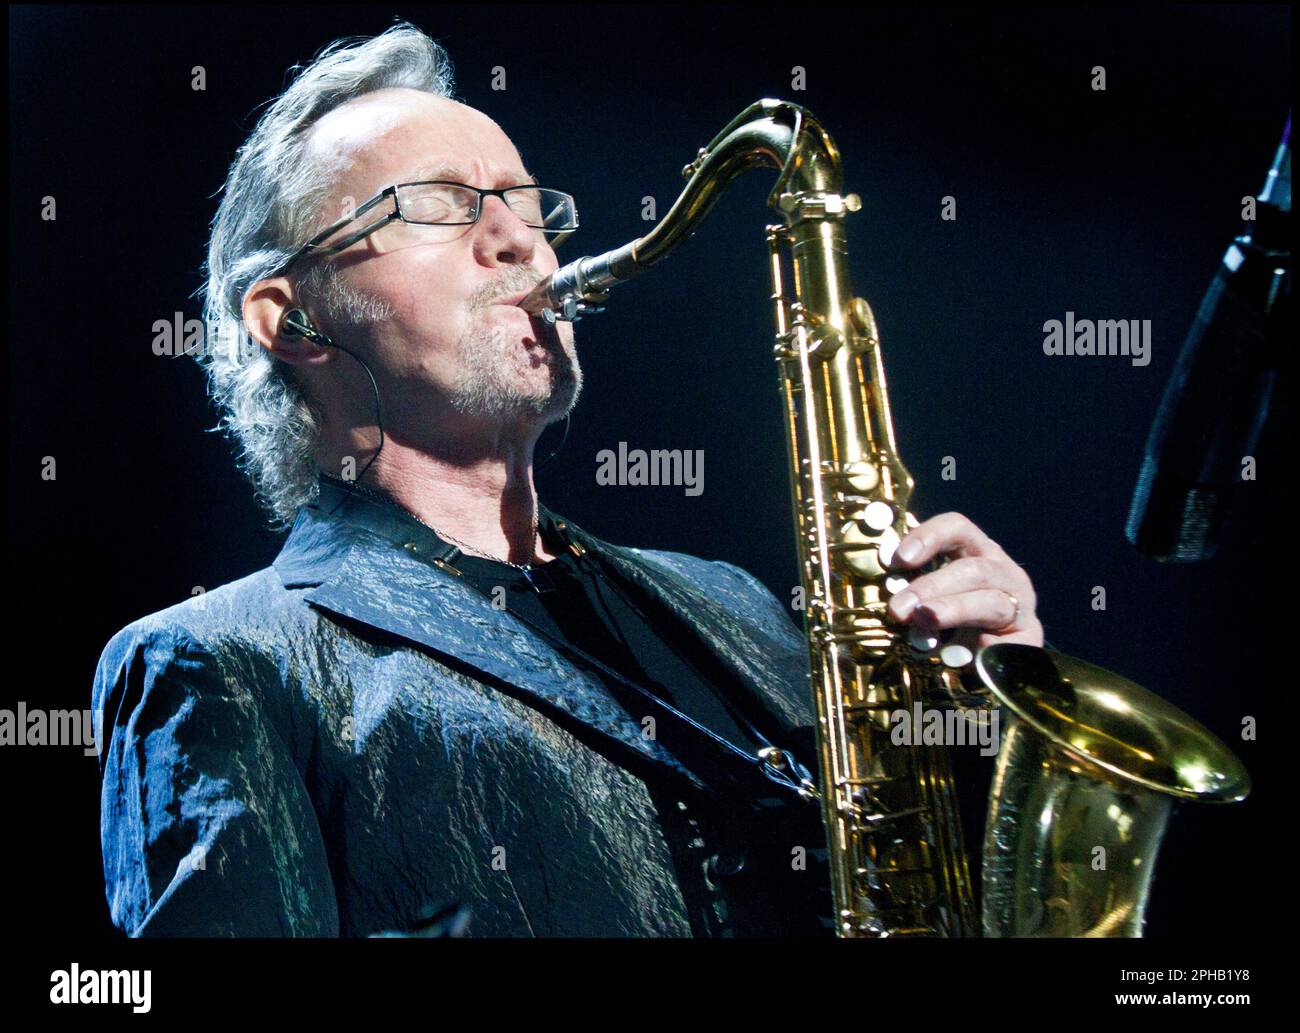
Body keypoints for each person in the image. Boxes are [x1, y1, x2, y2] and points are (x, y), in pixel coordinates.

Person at [92, 22, 1044, 937]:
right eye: (436, 203)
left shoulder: (737, 603)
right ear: (292, 321)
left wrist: (984, 726)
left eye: (525, 203)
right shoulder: (217, 660)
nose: (520, 241)